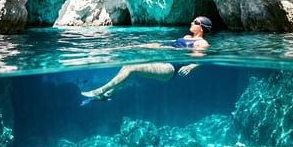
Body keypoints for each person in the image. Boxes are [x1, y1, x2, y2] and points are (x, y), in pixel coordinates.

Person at [80, 16, 212, 104]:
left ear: (201, 27)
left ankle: (100, 91)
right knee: (128, 65)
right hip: (163, 61)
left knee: (131, 68)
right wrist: (143, 45)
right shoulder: (186, 37)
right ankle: (108, 93)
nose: (191, 22)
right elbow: (167, 44)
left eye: (195, 22)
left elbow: (202, 58)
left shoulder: (202, 43)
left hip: (170, 68)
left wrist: (191, 66)